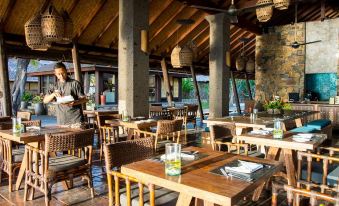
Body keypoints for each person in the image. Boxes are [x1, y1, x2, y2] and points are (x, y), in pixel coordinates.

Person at [43, 62, 87, 127]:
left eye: (63, 73)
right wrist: (53, 94)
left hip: (76, 120)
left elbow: (84, 99)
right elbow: (45, 101)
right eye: (59, 74)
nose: (61, 76)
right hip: (62, 121)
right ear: (55, 74)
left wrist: (75, 103)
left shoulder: (75, 83)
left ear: (66, 71)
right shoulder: (54, 86)